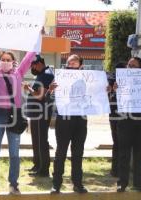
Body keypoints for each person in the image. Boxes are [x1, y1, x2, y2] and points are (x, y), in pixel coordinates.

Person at [0, 23, 37, 195]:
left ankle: (14, 184)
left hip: (15, 115)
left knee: (14, 152)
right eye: (3, 59)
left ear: (13, 62)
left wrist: (38, 37)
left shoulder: (18, 73)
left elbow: (30, 56)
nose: (5, 61)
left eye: (8, 59)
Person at [48, 55, 89, 194]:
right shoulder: (60, 77)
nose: (71, 64)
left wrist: (105, 90)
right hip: (64, 119)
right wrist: (51, 90)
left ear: (81, 64)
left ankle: (78, 184)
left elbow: (96, 94)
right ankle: (56, 184)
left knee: (78, 153)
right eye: (69, 62)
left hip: (80, 120)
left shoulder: (88, 78)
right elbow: (50, 98)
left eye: (74, 62)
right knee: (61, 152)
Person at [114, 57, 141, 193]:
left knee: (140, 154)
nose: (130, 67)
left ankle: (139, 182)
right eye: (129, 65)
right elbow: (113, 99)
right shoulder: (121, 81)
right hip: (125, 121)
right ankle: (122, 183)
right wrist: (114, 89)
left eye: (134, 66)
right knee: (123, 153)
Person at [24, 55, 54, 177]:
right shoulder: (40, 75)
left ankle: (44, 170)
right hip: (36, 113)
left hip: (42, 113)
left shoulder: (46, 74)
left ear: (40, 63)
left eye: (33, 65)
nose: (32, 67)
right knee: (36, 140)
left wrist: (28, 88)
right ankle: (37, 165)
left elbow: (40, 95)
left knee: (42, 141)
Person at [107, 62, 126, 177]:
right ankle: (115, 169)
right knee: (117, 142)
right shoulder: (112, 79)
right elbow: (107, 90)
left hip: (128, 114)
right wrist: (112, 89)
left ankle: (121, 168)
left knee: (122, 143)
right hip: (116, 114)